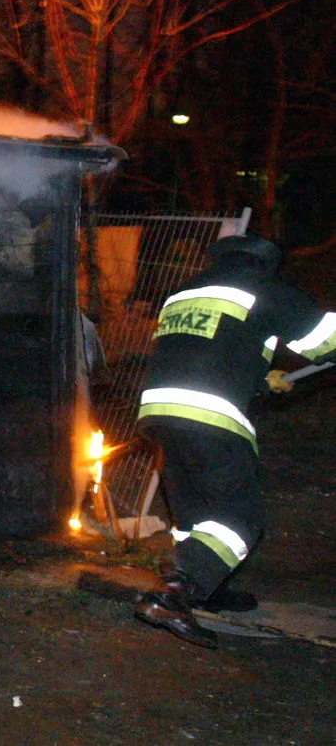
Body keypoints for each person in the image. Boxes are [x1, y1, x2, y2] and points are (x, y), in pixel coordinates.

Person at [134, 234, 336, 648]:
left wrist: (261, 377)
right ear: (266, 264)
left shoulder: (184, 293)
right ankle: (175, 593)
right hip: (211, 415)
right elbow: (325, 342)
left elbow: (209, 351)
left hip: (159, 411)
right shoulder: (261, 287)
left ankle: (207, 589)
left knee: (194, 511)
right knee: (238, 518)